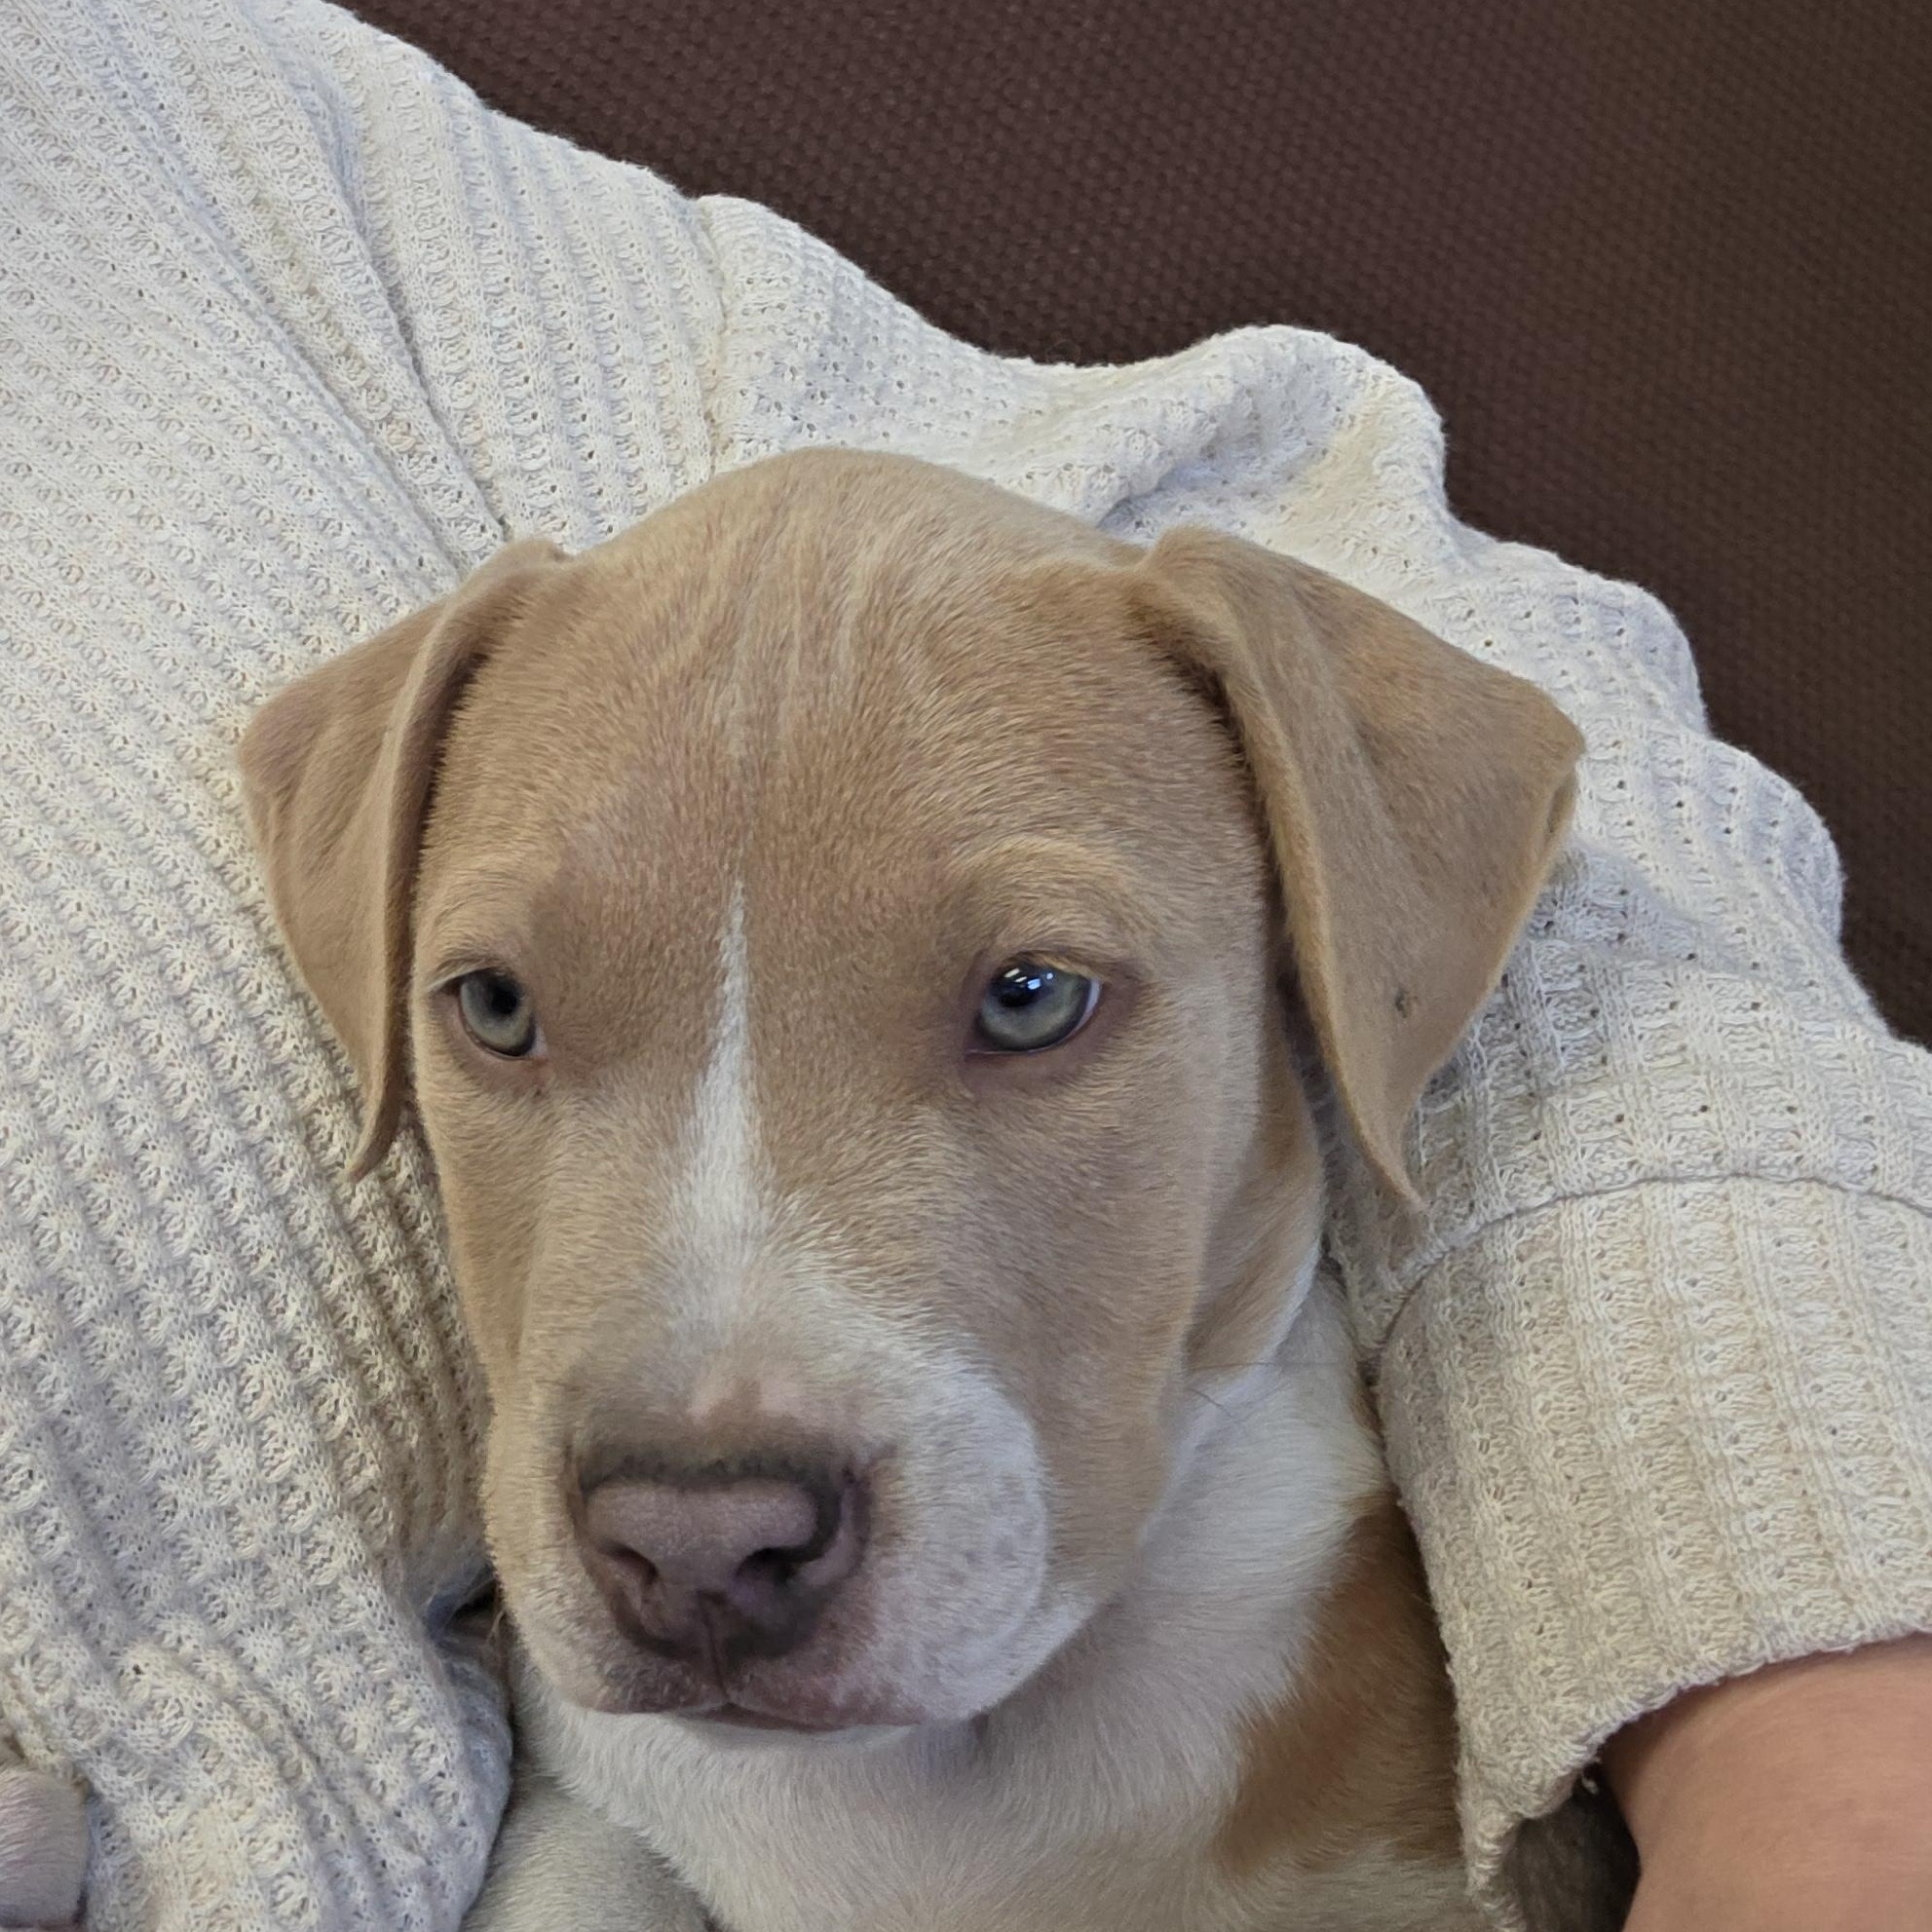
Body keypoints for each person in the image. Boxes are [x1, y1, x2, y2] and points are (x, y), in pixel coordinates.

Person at [1, 0, 1927, 1927]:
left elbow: (1420, 614)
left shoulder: (217, 133)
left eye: (1027, 995)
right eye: (498, 1003)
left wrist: (1813, 1739)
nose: (696, 1494)